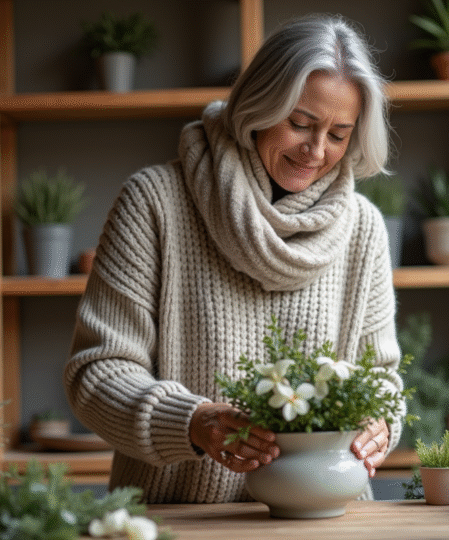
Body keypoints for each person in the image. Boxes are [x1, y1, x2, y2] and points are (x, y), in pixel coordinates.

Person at [63, 13, 405, 504]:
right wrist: (193, 423)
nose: (315, 150)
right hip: (174, 519)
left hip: (324, 520)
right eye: (300, 123)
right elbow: (97, 373)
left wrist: (381, 423)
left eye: (338, 134)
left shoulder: (363, 226)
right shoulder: (154, 203)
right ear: (258, 106)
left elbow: (382, 379)